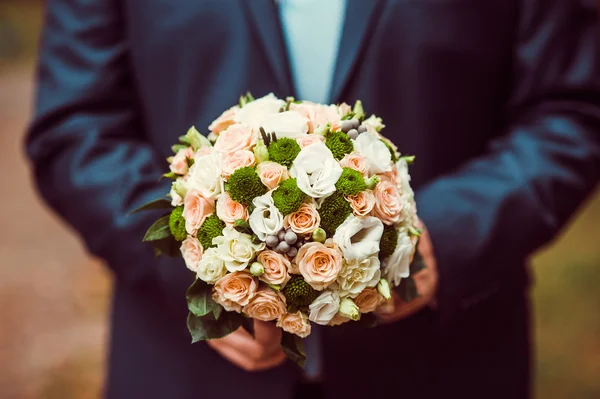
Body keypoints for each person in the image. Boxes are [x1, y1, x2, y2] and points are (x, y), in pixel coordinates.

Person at [25, 0, 600, 398]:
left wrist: (448, 236)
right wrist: (205, 266)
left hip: (441, 365)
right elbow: (76, 127)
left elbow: (571, 114)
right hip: (188, 372)